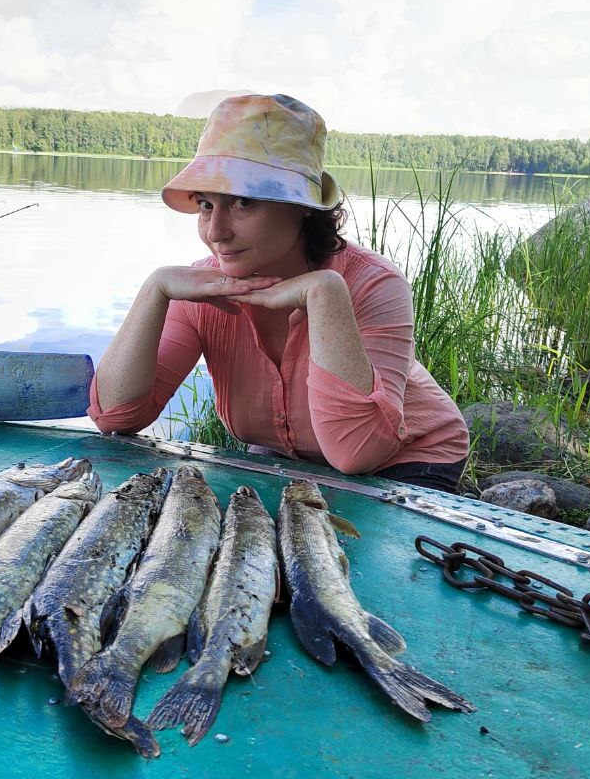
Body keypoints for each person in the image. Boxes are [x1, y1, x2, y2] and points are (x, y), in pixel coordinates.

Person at [88, 93, 470, 493]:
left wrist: (325, 295)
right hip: (284, 456)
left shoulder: (373, 284)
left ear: (303, 206)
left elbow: (357, 454)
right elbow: (115, 418)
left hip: (407, 457)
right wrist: (155, 290)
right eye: (205, 205)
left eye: (242, 202)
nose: (215, 232)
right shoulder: (198, 292)